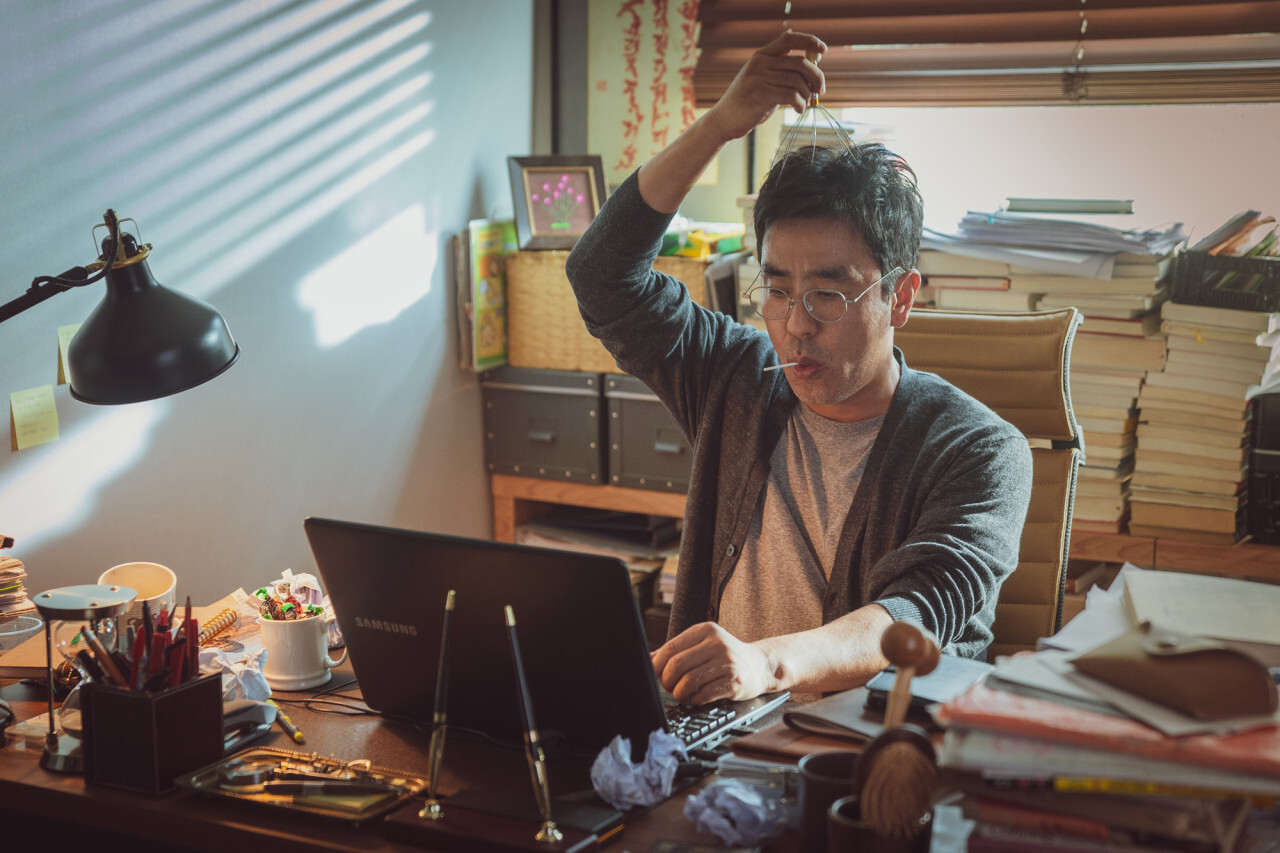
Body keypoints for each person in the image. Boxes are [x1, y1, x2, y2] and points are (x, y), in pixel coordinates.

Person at [565, 31, 1032, 706]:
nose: (797, 324)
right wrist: (721, 125)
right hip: (713, 741)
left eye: (828, 293)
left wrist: (766, 664)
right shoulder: (738, 378)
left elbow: (912, 619)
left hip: (865, 754)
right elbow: (601, 278)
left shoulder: (982, 451)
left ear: (901, 297)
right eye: (778, 289)